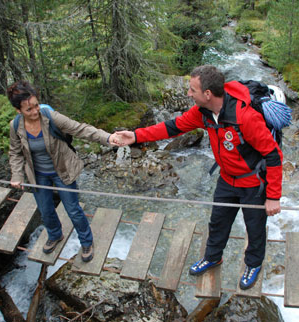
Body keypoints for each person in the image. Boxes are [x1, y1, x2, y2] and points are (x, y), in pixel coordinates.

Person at [115, 65, 282, 290]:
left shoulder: (245, 117)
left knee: (254, 227)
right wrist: (135, 136)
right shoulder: (202, 113)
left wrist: (273, 197)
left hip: (253, 183)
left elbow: (273, 156)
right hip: (227, 178)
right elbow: (172, 127)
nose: (188, 94)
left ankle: (253, 264)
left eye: (192, 90)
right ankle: (213, 257)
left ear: (207, 94)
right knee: (218, 222)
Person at [7, 81, 120, 260]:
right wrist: (17, 175)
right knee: (45, 209)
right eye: (29, 110)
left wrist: (108, 138)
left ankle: (86, 242)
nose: (35, 111)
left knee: (73, 209)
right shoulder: (15, 126)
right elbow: (15, 152)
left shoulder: (50, 116)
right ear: (18, 111)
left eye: (36, 105)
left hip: (62, 170)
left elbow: (80, 129)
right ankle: (54, 235)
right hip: (38, 174)